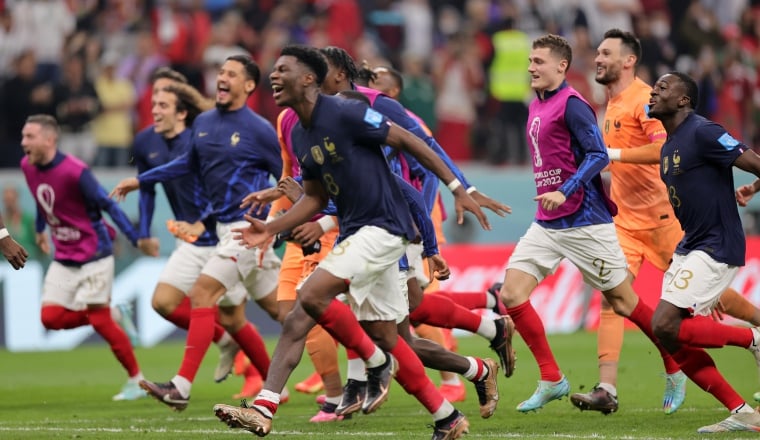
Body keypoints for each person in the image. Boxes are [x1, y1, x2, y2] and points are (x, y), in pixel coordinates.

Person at [212, 44, 490, 439]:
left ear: (309, 78)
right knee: (390, 337)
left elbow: (409, 142)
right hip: (357, 232)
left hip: (386, 228)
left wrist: (457, 187)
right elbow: (314, 198)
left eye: (283, 69)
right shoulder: (300, 131)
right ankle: (447, 417)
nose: (274, 76)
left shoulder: (346, 110)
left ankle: (348, 374)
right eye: (273, 70)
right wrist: (270, 229)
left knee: (308, 299)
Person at [570, 29, 760, 415]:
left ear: (628, 60)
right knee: (621, 301)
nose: (597, 58)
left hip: (670, 225)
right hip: (640, 225)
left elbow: (660, 150)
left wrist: (611, 154)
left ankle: (754, 336)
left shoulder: (667, 115)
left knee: (686, 316)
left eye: (606, 52)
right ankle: (612, 387)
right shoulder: (619, 108)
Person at [495, 34, 682, 413]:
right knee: (511, 294)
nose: (531, 67)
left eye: (538, 61)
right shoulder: (535, 105)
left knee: (624, 302)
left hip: (584, 221)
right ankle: (551, 378)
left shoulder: (573, 105)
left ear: (561, 67)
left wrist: (567, 189)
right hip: (547, 222)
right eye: (530, 61)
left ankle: (674, 363)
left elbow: (598, 155)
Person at [110, 55, 282, 411]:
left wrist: (279, 226)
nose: (222, 77)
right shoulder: (204, 123)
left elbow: (288, 180)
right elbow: (186, 164)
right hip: (224, 231)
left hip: (248, 230)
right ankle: (367, 354)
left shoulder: (259, 129)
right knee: (291, 312)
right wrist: (141, 180)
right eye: (220, 71)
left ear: (249, 86)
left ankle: (181, 387)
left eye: (231, 73)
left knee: (204, 294)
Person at [647, 71, 760, 433]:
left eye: (663, 87)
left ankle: (754, 338)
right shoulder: (668, 147)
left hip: (717, 244)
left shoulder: (703, 131)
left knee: (664, 323)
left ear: (683, 100)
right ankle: (742, 412)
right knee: (666, 333)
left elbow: (754, 161)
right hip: (691, 244)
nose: (654, 91)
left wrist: (754, 185)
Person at [131, 78, 258, 385]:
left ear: (180, 110)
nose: (156, 110)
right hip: (190, 241)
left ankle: (260, 380)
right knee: (163, 302)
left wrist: (201, 221)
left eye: (162, 104)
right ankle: (225, 346)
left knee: (235, 318)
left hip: (224, 236)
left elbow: (222, 191)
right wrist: (144, 231)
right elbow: (147, 187)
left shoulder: (201, 139)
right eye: (154, 104)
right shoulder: (146, 141)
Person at [20, 114, 154, 400]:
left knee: (100, 320)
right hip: (64, 255)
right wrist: (41, 228)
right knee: (50, 318)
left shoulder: (75, 171)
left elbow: (108, 206)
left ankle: (137, 381)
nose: (23, 143)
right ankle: (117, 313)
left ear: (49, 139)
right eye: (23, 136)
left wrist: (135, 238)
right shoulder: (27, 166)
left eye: (29, 137)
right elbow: (42, 197)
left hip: (95, 252)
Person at [0, 186, 30, 269]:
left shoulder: (28, 220)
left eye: (11, 200)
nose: (9, 204)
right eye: (6, 200)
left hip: (28, 265)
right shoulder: (2, 221)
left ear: (17, 199)